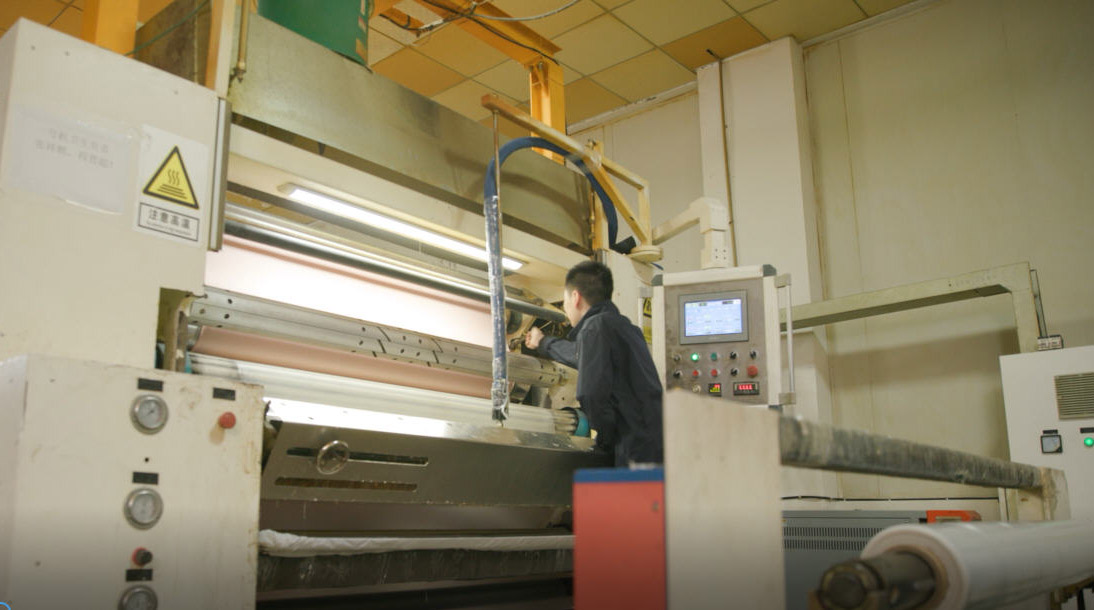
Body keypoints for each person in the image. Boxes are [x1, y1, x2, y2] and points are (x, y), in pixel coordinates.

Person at [524, 260, 663, 465]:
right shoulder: (625, 328)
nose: (565, 308)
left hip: (631, 449)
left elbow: (590, 394)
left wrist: (605, 443)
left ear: (575, 297)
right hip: (654, 445)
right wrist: (543, 342)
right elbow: (582, 354)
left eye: (564, 301)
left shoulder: (594, 327)